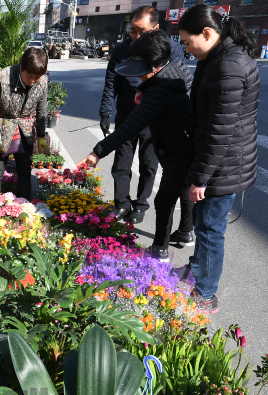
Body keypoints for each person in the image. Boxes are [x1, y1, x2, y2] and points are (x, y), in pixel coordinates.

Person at [77, 30, 195, 262]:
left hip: (177, 149)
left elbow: (129, 127)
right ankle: (186, 231)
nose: (138, 78)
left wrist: (97, 151)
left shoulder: (159, 91)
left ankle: (159, 251)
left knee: (164, 199)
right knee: (183, 188)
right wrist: (144, 89)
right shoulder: (175, 71)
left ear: (154, 66)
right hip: (186, 144)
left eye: (141, 73)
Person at [178, 5, 259, 313]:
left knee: (210, 231)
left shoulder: (228, 67)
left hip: (222, 168)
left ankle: (205, 295)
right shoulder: (217, 58)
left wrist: (201, 178)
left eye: (188, 41)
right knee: (203, 224)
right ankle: (197, 270)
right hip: (221, 164)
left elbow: (220, 133)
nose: (186, 48)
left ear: (208, 34)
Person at [99, 6, 185, 225]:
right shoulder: (121, 49)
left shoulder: (171, 48)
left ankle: (141, 204)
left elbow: (177, 84)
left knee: (149, 163)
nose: (135, 36)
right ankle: (121, 203)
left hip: (154, 117)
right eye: (132, 31)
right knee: (122, 161)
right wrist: (105, 111)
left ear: (155, 28)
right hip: (127, 113)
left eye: (141, 31)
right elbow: (111, 82)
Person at [0, 47, 50, 200]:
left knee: (24, 175)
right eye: (30, 76)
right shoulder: (1, 79)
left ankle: (25, 211)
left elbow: (41, 111)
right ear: (22, 67)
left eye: (37, 76)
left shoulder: (41, 82)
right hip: (1, 131)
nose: (33, 80)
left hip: (26, 131)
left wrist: (41, 135)